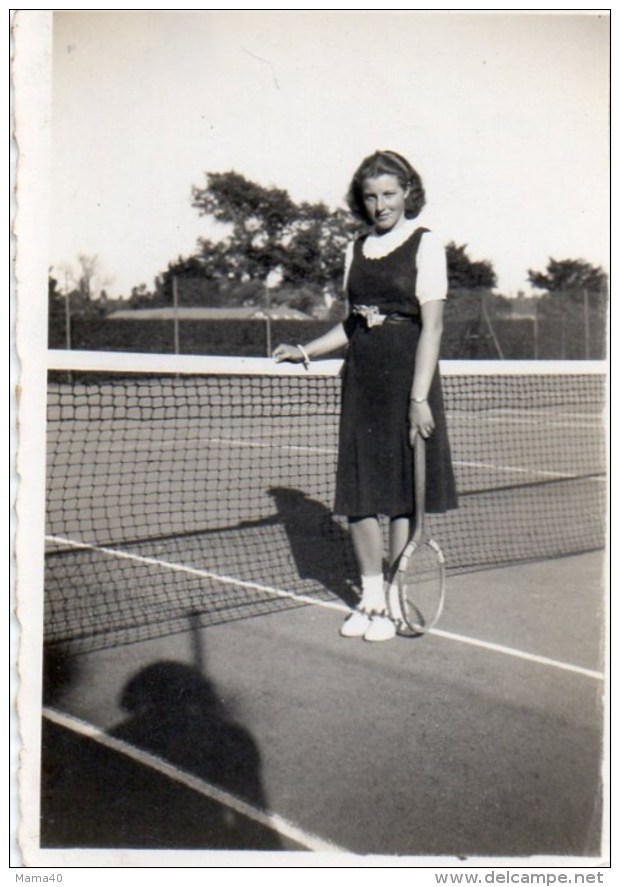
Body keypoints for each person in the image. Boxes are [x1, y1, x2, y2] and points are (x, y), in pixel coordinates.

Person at [273, 150, 457, 642]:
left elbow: (432, 326)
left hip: (408, 380)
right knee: (358, 495)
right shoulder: (355, 249)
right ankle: (371, 601)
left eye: (389, 194)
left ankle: (394, 599)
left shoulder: (426, 244)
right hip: (362, 379)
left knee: (400, 498)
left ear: (407, 194)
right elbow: (352, 324)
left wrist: (419, 398)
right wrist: (306, 350)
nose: (380, 205)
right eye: (371, 196)